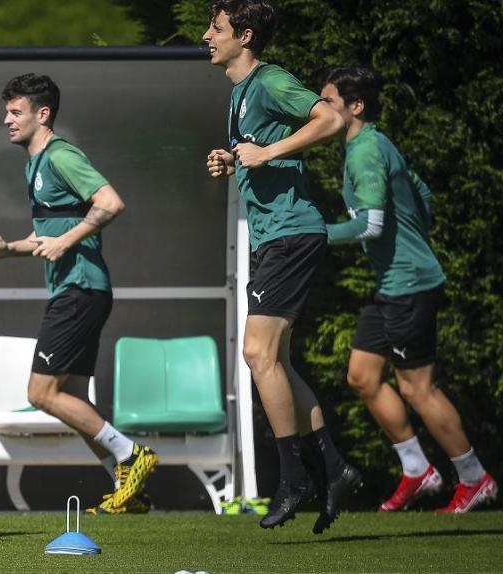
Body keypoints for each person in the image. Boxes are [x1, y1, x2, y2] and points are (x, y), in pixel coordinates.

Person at [202, 0, 360, 533]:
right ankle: (334, 469)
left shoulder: (268, 80)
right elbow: (261, 149)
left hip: (291, 236)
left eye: (216, 28)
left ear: (244, 36)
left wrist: (266, 155)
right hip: (275, 240)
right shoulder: (240, 95)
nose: (206, 35)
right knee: (278, 364)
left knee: (255, 352)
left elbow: (331, 118)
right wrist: (234, 158)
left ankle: (294, 477)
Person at [0, 73, 158, 515]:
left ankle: (132, 456)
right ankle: (129, 488)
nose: (6, 120)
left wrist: (68, 239)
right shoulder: (34, 165)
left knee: (42, 393)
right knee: (73, 398)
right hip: (74, 289)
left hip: (80, 289)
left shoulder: (61, 155)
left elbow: (111, 202)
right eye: (6, 111)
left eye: (15, 112)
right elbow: (46, 238)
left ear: (43, 114)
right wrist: (7, 250)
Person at [319, 66, 496, 513]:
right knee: (362, 375)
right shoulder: (374, 143)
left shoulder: (364, 152)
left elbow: (372, 226)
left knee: (418, 389)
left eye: (328, 102)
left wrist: (312, 234)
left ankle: (475, 479)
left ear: (355, 107)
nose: (319, 111)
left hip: (409, 287)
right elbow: (422, 195)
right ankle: (419, 470)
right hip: (392, 285)